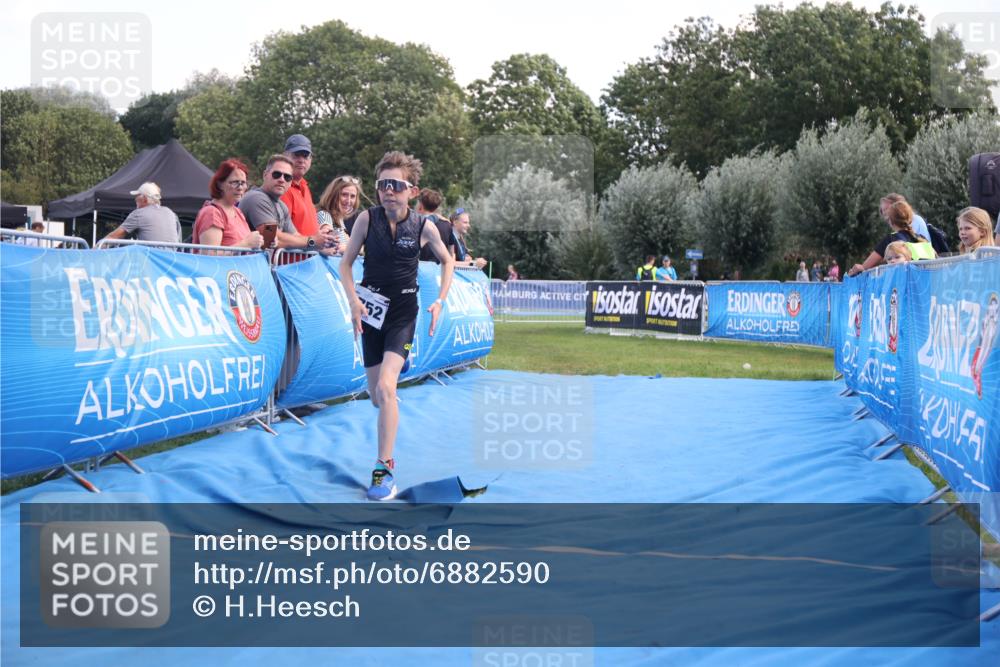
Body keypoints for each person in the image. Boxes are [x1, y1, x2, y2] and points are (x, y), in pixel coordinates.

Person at [338, 151, 455, 501]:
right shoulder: (365, 220)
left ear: (412, 191)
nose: (389, 191)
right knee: (376, 397)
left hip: (404, 311)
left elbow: (448, 261)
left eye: (396, 185)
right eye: (383, 185)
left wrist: (441, 300)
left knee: (388, 389)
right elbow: (345, 266)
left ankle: (384, 468)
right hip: (371, 312)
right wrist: (353, 300)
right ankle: (390, 387)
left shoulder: (424, 226)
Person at [239, 154, 334, 252]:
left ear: (290, 182)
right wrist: (312, 241)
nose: (281, 180)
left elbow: (295, 237)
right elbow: (272, 237)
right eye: (276, 174)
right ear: (265, 175)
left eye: (287, 177)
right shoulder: (256, 198)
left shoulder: (281, 205)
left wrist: (322, 245)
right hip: (243, 265)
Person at [848, 201, 934, 276]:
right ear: (910, 218)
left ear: (890, 221)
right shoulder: (923, 240)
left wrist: (857, 269)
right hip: (928, 289)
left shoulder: (891, 239)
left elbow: (864, 267)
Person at [192, 158, 262, 250]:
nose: (240, 188)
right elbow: (210, 256)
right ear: (220, 184)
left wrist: (262, 242)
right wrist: (246, 243)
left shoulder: (237, 212)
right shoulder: (212, 213)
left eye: (243, 183)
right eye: (235, 182)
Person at [102, 182, 181, 243]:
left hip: (149, 261)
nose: (135, 199)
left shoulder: (139, 213)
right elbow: (178, 241)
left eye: (137, 196)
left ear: (145, 199)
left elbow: (113, 237)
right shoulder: (171, 213)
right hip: (170, 261)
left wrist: (95, 251)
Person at [279, 134, 320, 237]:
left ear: (311, 159)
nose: (301, 160)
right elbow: (278, 233)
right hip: (291, 253)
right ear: (284, 156)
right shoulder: (281, 188)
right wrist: (312, 243)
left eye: (305, 156)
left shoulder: (304, 186)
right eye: (296, 155)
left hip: (310, 252)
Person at [317, 175, 363, 253]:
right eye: (344, 194)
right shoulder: (325, 215)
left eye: (352, 196)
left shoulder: (340, 222)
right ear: (333, 195)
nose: (348, 201)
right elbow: (332, 244)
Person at [416, 188, 456, 263]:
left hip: (421, 270)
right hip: (440, 270)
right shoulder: (447, 225)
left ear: (420, 206)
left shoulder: (417, 224)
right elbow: (451, 252)